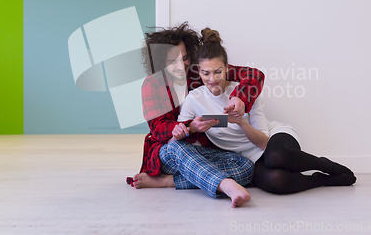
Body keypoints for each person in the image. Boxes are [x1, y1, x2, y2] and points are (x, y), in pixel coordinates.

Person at [174, 28, 356, 194]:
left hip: (272, 139)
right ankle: (322, 180)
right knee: (277, 182)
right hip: (247, 158)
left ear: (227, 68)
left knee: (275, 157)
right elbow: (175, 137)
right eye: (206, 73)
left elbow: (264, 143)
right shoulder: (194, 99)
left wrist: (241, 122)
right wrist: (193, 127)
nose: (212, 79)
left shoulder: (244, 90)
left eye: (218, 72)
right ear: (199, 71)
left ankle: (325, 165)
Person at [129, 22, 266, 207]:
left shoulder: (198, 72)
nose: (180, 65)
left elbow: (253, 75)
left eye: (184, 58)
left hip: (203, 150)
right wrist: (188, 127)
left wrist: (238, 98)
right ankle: (226, 185)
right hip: (169, 151)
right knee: (178, 147)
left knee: (246, 167)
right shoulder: (152, 84)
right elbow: (157, 129)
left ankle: (168, 181)